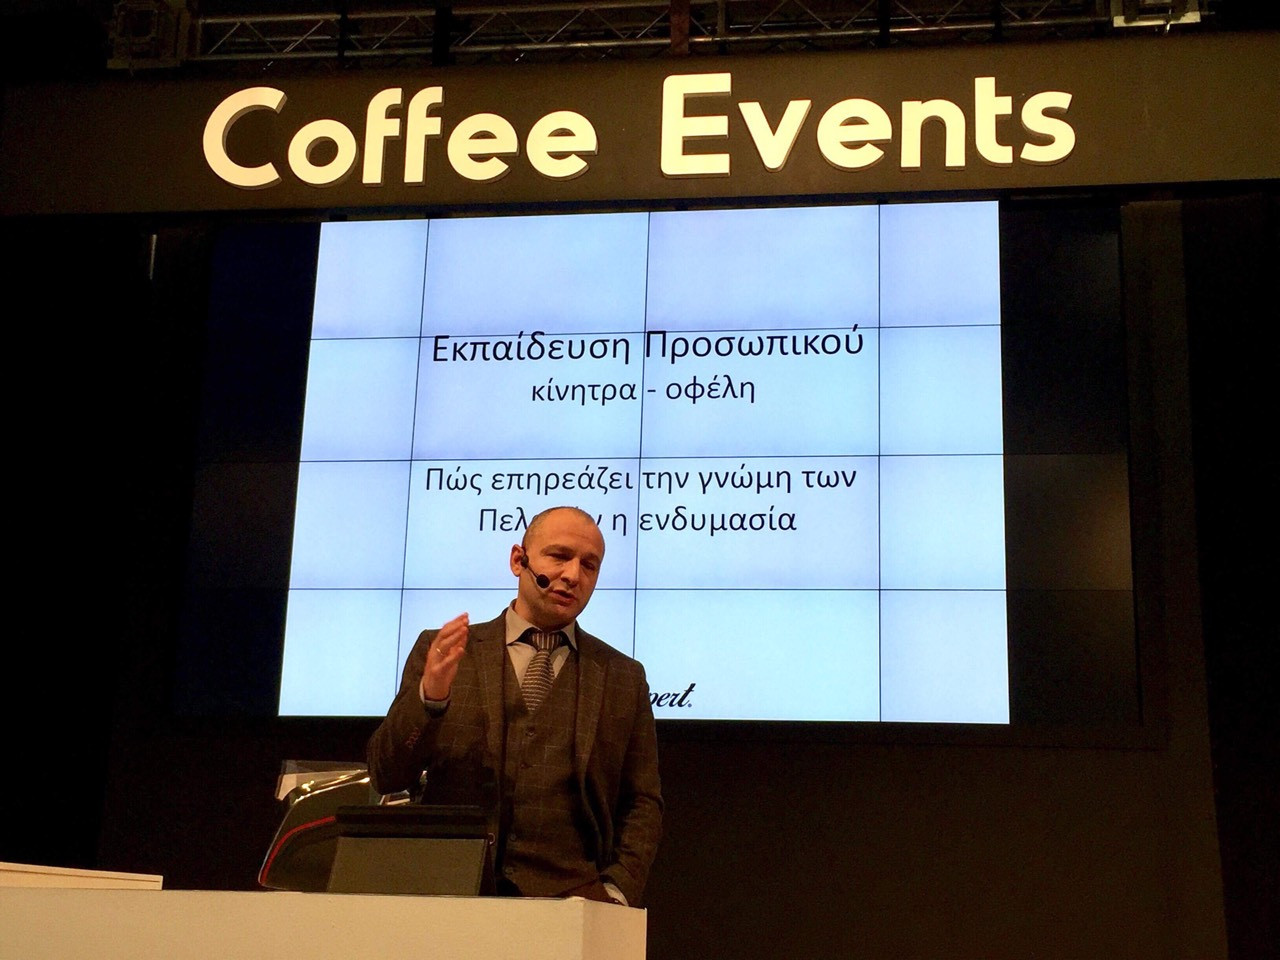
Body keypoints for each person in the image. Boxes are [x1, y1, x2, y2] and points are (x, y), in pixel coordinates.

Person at [367, 505, 662, 905]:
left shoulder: (622, 676)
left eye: (589, 565)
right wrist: (430, 700)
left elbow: (643, 801)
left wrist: (617, 891)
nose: (573, 575)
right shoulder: (446, 651)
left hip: (573, 904)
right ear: (518, 561)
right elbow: (386, 774)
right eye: (559, 556)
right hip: (449, 896)